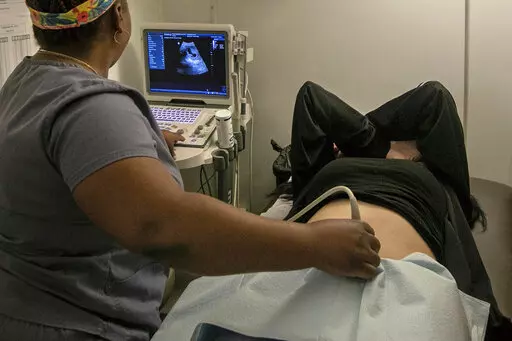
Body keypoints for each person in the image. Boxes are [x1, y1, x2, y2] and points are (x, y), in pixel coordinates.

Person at [0, 1, 381, 341]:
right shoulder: (91, 109)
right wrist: (314, 244)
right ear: (118, 15)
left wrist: (139, 143)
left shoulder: (25, 84)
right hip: (80, 324)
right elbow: (165, 230)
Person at [153, 81, 511, 341]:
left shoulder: (430, 178)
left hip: (394, 223)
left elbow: (436, 101)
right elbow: (311, 97)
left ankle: (371, 139)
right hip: (312, 239)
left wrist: (378, 149)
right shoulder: (334, 170)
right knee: (312, 92)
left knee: (434, 93)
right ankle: (371, 139)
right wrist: (374, 147)